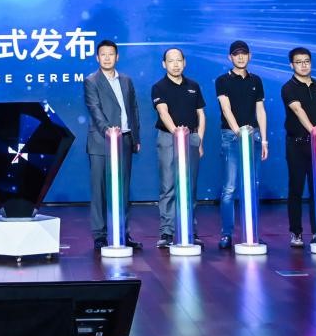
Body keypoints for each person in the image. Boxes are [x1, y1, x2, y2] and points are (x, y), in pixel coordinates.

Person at [83, 40, 143, 251]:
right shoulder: (91, 81)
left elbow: (133, 109)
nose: (107, 58)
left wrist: (135, 137)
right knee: (100, 190)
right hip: (101, 142)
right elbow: (95, 109)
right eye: (103, 54)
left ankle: (122, 233)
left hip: (125, 140)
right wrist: (109, 131)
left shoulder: (126, 80)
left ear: (117, 57)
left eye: (111, 54)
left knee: (123, 190)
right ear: (97, 57)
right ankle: (100, 235)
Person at [215, 40, 268, 250]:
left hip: (254, 136)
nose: (240, 57)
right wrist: (239, 132)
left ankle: (252, 232)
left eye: (244, 53)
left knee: (253, 186)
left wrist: (264, 139)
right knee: (230, 187)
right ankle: (226, 234)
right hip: (232, 136)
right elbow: (226, 109)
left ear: (249, 56)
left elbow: (260, 110)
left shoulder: (256, 80)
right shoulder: (223, 80)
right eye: (236, 54)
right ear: (230, 57)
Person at [151, 47, 206, 248]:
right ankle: (167, 232)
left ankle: (190, 228)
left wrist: (199, 140)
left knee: (189, 186)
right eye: (171, 61)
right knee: (168, 186)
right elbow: (163, 112)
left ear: (184, 62)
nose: (175, 64)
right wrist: (177, 133)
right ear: (164, 64)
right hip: (168, 138)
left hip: (191, 138)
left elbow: (201, 115)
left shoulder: (193, 86)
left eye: (178, 60)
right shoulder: (159, 87)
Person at [280, 47, 316, 247]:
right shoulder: (288, 87)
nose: (303, 65)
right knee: (296, 188)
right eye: (299, 62)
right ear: (291, 65)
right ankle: (296, 232)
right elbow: (298, 110)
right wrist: (314, 132)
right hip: (297, 144)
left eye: (306, 61)